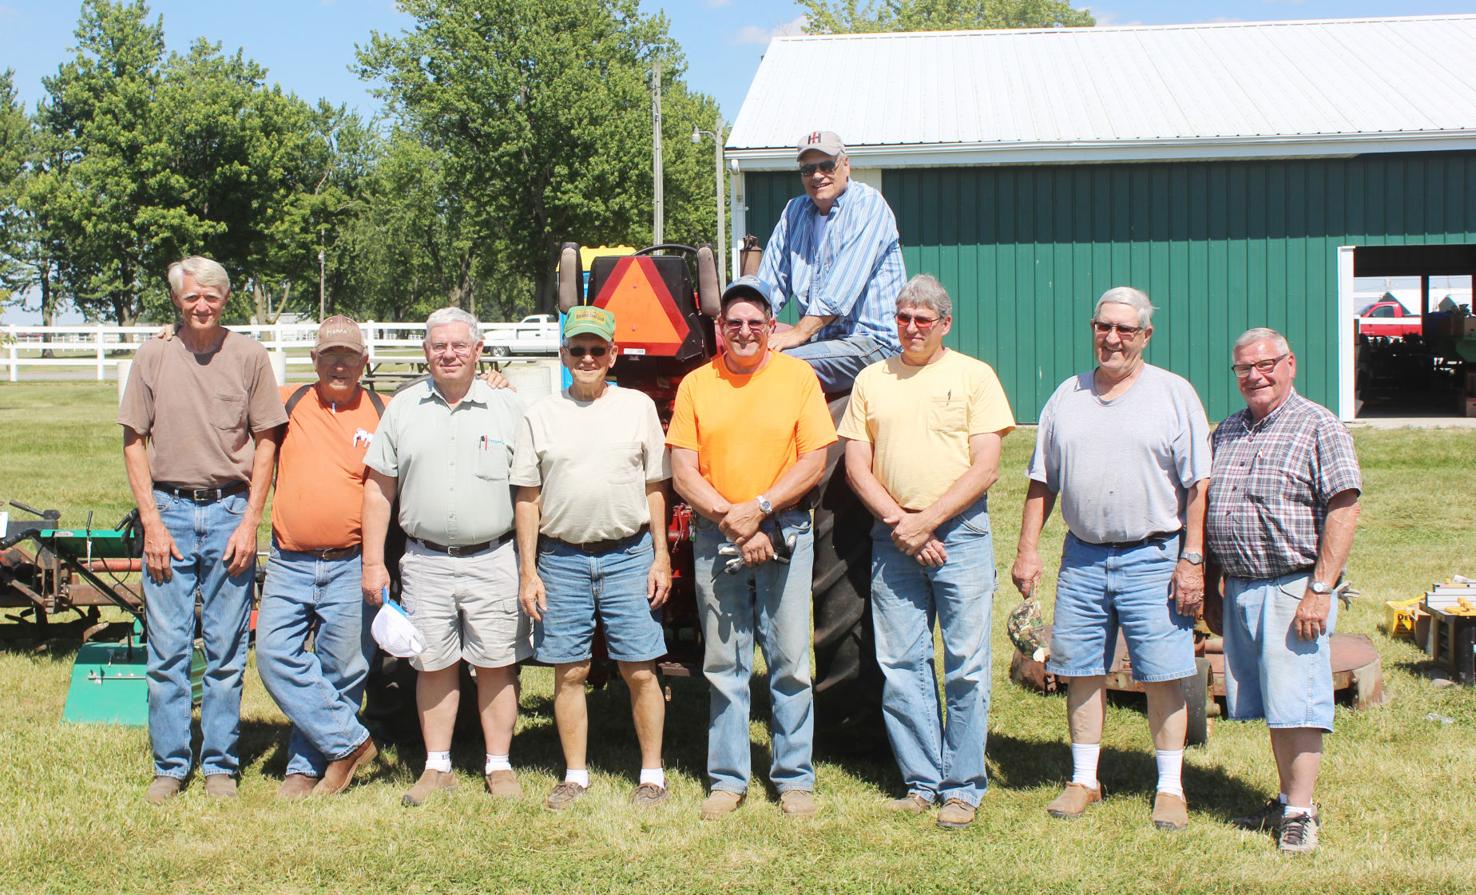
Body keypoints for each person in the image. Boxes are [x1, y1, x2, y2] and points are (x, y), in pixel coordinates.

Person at [1010, 286, 1210, 832]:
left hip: (1154, 554)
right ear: (1092, 328)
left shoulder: (1174, 395)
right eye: (1103, 327)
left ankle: (1169, 788)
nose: (1112, 338)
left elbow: (1198, 484)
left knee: (1164, 673)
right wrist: (1028, 549)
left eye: (1125, 329)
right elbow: (1040, 480)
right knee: (1081, 671)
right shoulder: (1066, 396)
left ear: (1146, 336)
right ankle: (1084, 780)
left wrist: (1191, 558)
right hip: (1082, 557)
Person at [839, 274, 1015, 830]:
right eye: (902, 317)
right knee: (901, 663)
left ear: (945, 323)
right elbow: (855, 466)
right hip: (893, 540)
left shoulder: (973, 376)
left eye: (922, 319)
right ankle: (921, 781)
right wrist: (901, 522)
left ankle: (963, 786)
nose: (910, 328)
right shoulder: (872, 379)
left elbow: (986, 466)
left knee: (965, 664)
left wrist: (929, 521)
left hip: (958, 536)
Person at [667, 275, 837, 820]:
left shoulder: (799, 377)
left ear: (771, 328)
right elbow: (682, 470)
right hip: (718, 534)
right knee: (724, 663)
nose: (744, 331)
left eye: (754, 323)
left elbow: (813, 460)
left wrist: (760, 510)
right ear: (720, 329)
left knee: (789, 662)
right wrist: (731, 517)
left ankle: (793, 780)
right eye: (733, 322)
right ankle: (727, 779)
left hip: (784, 529)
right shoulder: (697, 384)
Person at [119, 256, 287, 803]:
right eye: (192, 296)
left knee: (226, 649)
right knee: (166, 649)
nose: (202, 305)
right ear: (177, 299)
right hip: (167, 511)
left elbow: (267, 441)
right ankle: (169, 765)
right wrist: (151, 523)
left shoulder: (249, 356)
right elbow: (132, 441)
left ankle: (219, 765)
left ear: (226, 298)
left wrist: (249, 522)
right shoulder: (154, 355)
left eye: (212, 295)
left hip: (228, 513)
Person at [360, 307, 530, 807]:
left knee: (497, 663)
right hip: (426, 560)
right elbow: (378, 491)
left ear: (479, 351)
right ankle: (437, 766)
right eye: (439, 346)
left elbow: (528, 490)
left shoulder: (508, 408)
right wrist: (375, 561)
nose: (449, 354)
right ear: (426, 352)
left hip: (494, 557)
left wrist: (529, 564)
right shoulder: (403, 408)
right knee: (432, 663)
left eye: (460, 345)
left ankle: (499, 765)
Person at [510, 306, 674, 810]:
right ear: (562, 355)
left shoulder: (638, 407)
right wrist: (528, 571)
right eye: (576, 350)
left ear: (613, 355)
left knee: (640, 669)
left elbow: (655, 487)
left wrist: (661, 556)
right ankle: (574, 775)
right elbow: (527, 498)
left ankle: (652, 775)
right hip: (561, 559)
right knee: (569, 671)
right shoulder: (539, 415)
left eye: (596, 350)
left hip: (628, 554)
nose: (586, 358)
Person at [1206, 328, 1361, 854]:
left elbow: (1344, 506)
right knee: (1276, 702)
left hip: (1294, 585)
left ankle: (1301, 812)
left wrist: (1321, 588)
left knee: (1299, 702)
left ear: (1290, 363)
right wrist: (1209, 582)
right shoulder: (1227, 431)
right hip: (1243, 586)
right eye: (1244, 368)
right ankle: (1286, 796)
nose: (1256, 376)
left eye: (1266, 364)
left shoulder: (1319, 425)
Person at [255, 316, 382, 799]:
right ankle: (350, 742)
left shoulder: (383, 409)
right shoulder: (286, 401)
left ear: (364, 362)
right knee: (272, 654)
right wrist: (173, 337)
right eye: (330, 355)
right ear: (314, 360)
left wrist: (496, 380)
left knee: (343, 668)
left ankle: (307, 767)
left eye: (349, 356)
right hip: (290, 560)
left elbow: (442, 392)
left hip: (352, 561)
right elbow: (225, 384)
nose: (339, 364)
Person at [756, 130, 905, 393]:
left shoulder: (867, 205)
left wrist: (798, 333)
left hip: (871, 343)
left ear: (845, 165)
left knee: (778, 366)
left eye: (826, 165)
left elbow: (838, 294)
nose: (817, 175)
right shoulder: (794, 212)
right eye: (807, 169)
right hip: (825, 341)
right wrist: (745, 316)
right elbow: (770, 282)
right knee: (744, 354)